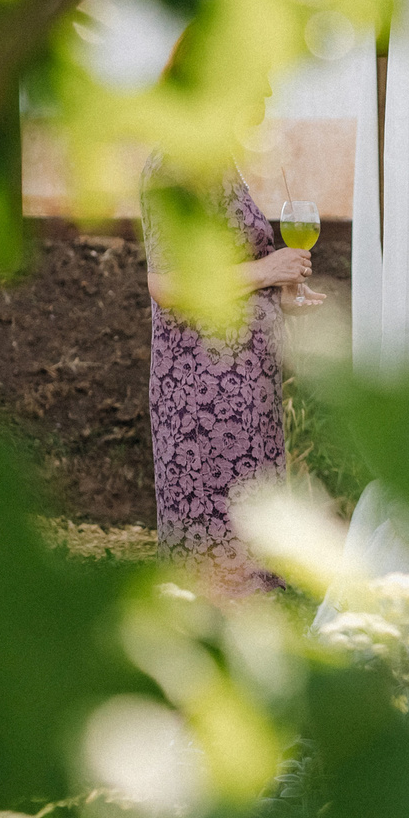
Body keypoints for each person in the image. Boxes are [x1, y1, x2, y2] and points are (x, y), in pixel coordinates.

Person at [143, 159, 320, 596]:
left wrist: (277, 299)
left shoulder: (221, 162)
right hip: (205, 394)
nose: (262, 93)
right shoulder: (177, 164)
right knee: (216, 543)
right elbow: (169, 285)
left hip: (245, 392)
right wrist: (267, 270)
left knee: (250, 535)